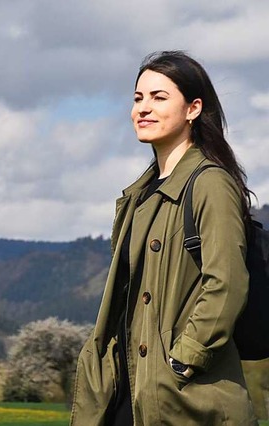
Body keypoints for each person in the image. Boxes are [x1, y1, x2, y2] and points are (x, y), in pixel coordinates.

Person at [70, 51, 258, 425]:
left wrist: (184, 359)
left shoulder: (210, 184)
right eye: (138, 98)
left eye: (159, 97)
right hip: (128, 391)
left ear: (193, 109)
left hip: (184, 397)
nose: (143, 108)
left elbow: (227, 283)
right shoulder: (139, 195)